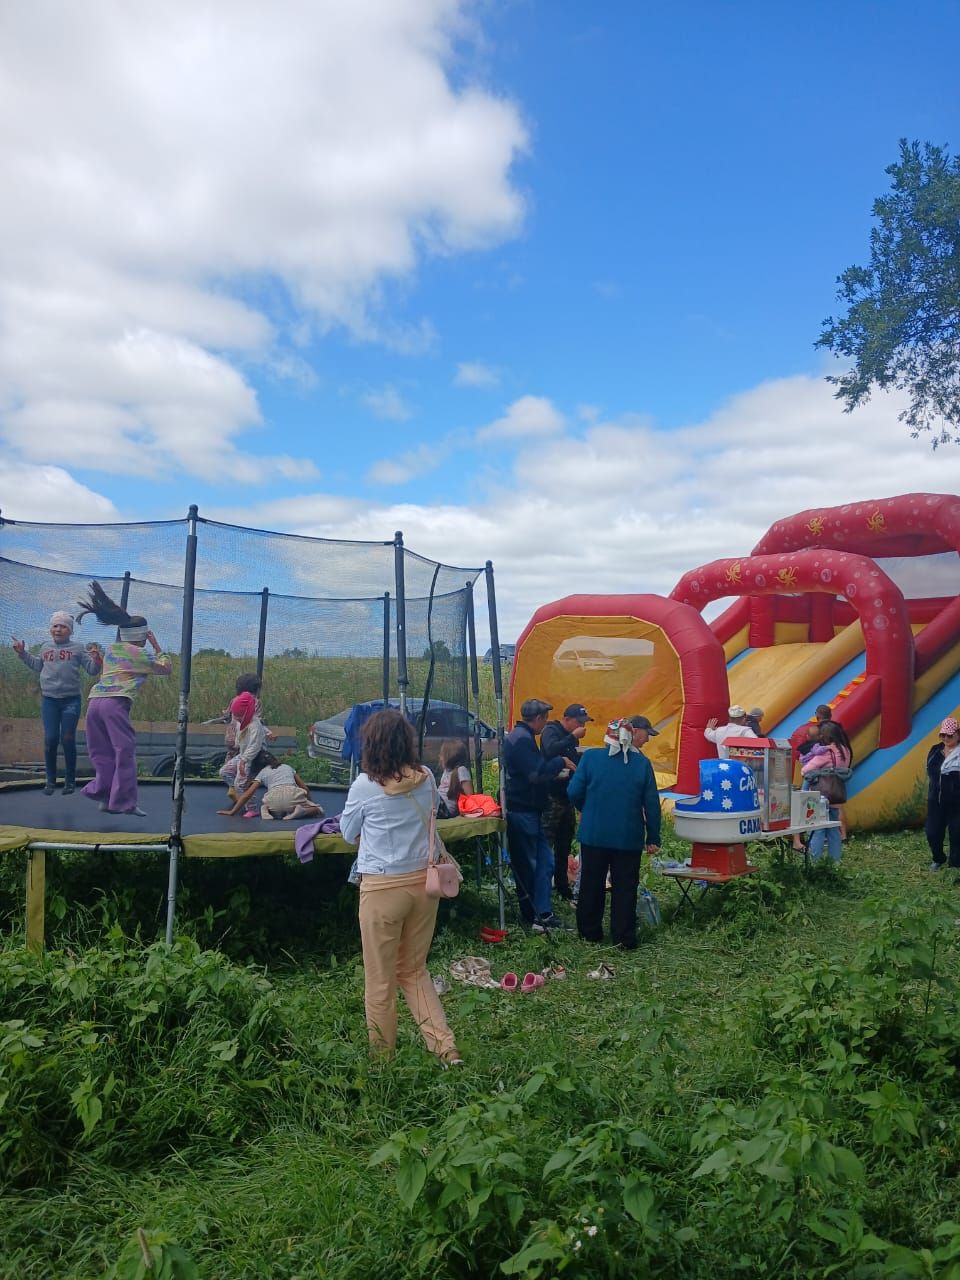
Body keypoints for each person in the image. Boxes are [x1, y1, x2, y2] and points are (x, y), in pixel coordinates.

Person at [339, 709, 461, 1065]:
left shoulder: (365, 786)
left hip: (381, 889)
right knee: (413, 969)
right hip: (424, 886)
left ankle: (383, 1060)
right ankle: (445, 1047)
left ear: (370, 744)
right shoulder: (425, 779)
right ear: (406, 741)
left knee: (380, 979)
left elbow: (348, 834)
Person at [75, 582, 172, 816]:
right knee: (124, 751)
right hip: (114, 704)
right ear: (142, 637)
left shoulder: (112, 649)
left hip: (95, 702)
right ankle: (124, 802)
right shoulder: (140, 653)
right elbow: (166, 668)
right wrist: (157, 645)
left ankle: (103, 795)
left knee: (102, 752)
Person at [567, 716, 662, 949]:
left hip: (594, 834)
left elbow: (573, 791)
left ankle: (589, 932)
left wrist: (586, 809)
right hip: (627, 837)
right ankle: (623, 937)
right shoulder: (641, 764)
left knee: (591, 882)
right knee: (625, 887)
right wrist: (653, 836)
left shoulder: (590, 758)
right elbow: (651, 804)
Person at [502, 698, 577, 930]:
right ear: (538, 719)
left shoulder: (519, 736)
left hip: (528, 810)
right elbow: (535, 773)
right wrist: (559, 763)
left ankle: (540, 912)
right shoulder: (522, 740)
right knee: (535, 864)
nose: (545, 723)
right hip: (523, 811)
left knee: (542, 862)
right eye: (544, 718)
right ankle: (537, 915)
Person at [11, 610, 102, 795]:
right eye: (55, 626)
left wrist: (97, 660)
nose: (58, 629)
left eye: (63, 626)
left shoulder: (77, 648)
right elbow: (37, 665)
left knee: (67, 738)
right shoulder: (45, 648)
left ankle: (70, 781)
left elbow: (92, 670)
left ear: (70, 631)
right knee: (51, 739)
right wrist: (22, 654)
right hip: (50, 700)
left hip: (71, 701)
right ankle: (50, 781)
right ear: (50, 628)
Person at [540, 702, 593, 901]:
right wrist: (572, 737)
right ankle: (543, 887)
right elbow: (550, 750)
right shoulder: (551, 731)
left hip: (567, 796)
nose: (581, 726)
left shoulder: (572, 740)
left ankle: (562, 886)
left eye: (583, 723)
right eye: (578, 722)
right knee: (546, 844)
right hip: (552, 797)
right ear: (567, 719)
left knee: (564, 845)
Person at [217, 750, 323, 820]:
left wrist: (232, 812)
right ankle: (301, 811)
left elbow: (247, 795)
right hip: (292, 795)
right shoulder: (287, 767)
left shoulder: (262, 772)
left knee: (274, 807)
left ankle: (266, 810)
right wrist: (310, 803)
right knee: (319, 809)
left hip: (273, 798)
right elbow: (305, 788)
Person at [801, 721, 853, 863]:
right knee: (834, 830)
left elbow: (805, 770)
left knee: (817, 829)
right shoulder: (845, 750)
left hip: (822, 796)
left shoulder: (827, 752)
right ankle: (834, 862)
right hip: (836, 794)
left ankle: (815, 862)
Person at [925, 717, 960, 875]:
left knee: (957, 833)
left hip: (956, 803)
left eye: (949, 735)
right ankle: (938, 858)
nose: (946, 738)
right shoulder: (935, 750)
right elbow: (930, 770)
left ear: (958, 734)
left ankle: (955, 864)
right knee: (932, 832)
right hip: (936, 801)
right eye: (943, 735)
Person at [814, 705, 853, 838]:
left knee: (823, 808)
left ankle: (825, 836)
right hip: (840, 777)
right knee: (839, 807)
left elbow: (812, 765)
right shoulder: (843, 746)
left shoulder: (828, 747)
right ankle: (843, 835)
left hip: (827, 778)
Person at [437, 739, 474, 817]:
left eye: (441, 755)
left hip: (446, 809)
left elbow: (470, 795)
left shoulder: (461, 770)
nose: (440, 758)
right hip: (439, 804)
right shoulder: (446, 771)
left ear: (450, 756)